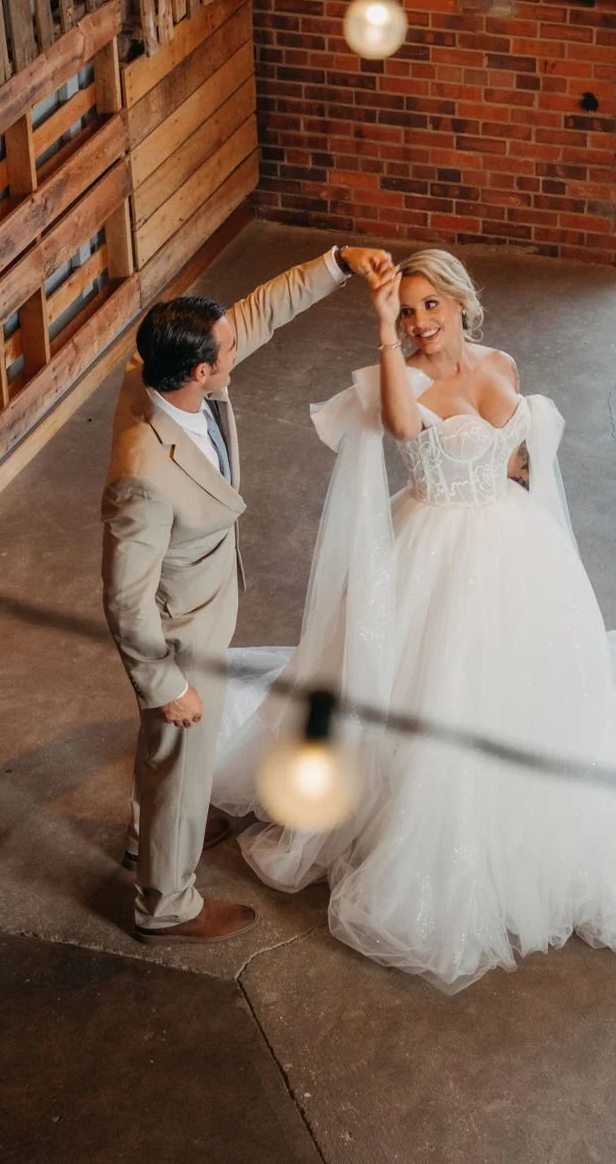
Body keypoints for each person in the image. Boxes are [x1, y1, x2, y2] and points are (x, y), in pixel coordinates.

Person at [212, 249, 616, 992]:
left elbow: (522, 457)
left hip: (516, 551)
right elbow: (408, 433)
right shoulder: (397, 377)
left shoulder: (500, 360)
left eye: (430, 306)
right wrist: (378, 328)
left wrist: (514, 469)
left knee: (533, 689)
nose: (419, 322)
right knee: (433, 690)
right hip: (434, 552)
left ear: (462, 304)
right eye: (407, 311)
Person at [101, 242, 393, 945]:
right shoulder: (143, 475)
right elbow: (123, 596)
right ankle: (165, 905)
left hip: (203, 599)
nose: (240, 343)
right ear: (201, 372)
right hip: (179, 633)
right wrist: (163, 682)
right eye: (226, 350)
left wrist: (336, 263)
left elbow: (257, 313)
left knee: (169, 756)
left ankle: (154, 840)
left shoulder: (158, 367)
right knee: (178, 749)